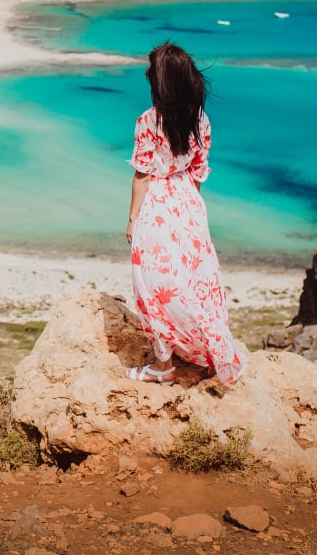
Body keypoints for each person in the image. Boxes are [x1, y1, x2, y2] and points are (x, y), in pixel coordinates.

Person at [123, 42, 245, 385]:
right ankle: (208, 351)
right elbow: (197, 172)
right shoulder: (201, 121)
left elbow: (143, 175)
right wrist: (192, 212)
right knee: (197, 281)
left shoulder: (148, 121)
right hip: (188, 202)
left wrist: (133, 219)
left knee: (153, 285)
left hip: (157, 205)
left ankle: (163, 366)